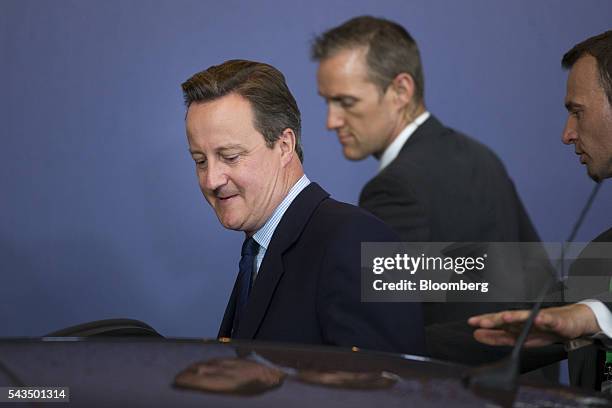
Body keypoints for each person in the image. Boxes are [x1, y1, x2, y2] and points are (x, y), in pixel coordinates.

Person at [311, 16, 546, 327]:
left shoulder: (393, 188)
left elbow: (381, 329)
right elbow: (539, 289)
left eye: (346, 102)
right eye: (328, 102)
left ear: (401, 90)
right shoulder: (482, 157)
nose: (332, 121)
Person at [181, 59, 425, 355]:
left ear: (284, 145)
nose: (211, 180)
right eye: (200, 161)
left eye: (230, 156)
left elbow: (385, 391)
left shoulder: (360, 241)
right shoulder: (260, 248)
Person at [468, 30, 612, 390]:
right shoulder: (597, 256)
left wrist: (595, 316)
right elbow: (525, 328)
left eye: (577, 112)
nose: (567, 134)